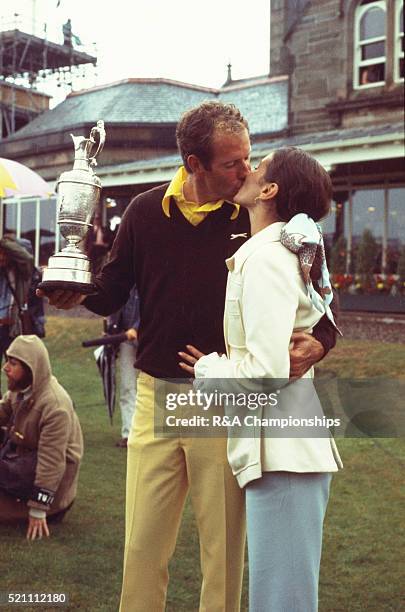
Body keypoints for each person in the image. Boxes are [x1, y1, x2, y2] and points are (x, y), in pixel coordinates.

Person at [39, 102, 338, 611]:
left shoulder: (261, 220)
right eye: (232, 163)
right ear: (193, 164)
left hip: (222, 404)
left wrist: (324, 340)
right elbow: (112, 291)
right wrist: (76, 286)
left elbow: (317, 296)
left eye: (248, 159)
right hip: (156, 399)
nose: (247, 171)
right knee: (141, 548)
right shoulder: (143, 212)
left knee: (221, 554)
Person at [179, 147, 343, 612]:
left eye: (259, 167)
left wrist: (209, 369)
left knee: (282, 603)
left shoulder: (267, 258)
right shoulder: (269, 253)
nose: (247, 170)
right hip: (281, 453)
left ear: (269, 190)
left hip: (285, 455)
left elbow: (267, 372)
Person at [0, 335, 83, 540]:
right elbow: (2, 411)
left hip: (50, 488)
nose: (5, 368)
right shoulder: (20, 390)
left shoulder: (55, 406)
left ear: (31, 368)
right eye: (7, 360)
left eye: (13, 363)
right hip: (21, 462)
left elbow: (52, 461)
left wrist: (38, 508)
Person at [107, 286, 140, 448]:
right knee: (127, 387)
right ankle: (129, 434)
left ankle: (149, 434)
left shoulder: (149, 275)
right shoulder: (124, 280)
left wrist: (137, 327)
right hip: (125, 339)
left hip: (151, 338)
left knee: (152, 387)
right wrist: (111, 331)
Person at [0, 237, 33, 370]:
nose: (1, 257)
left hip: (10, 329)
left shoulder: (21, 273)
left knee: (15, 370)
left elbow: (27, 258)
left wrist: (4, 243)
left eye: (3, 253)